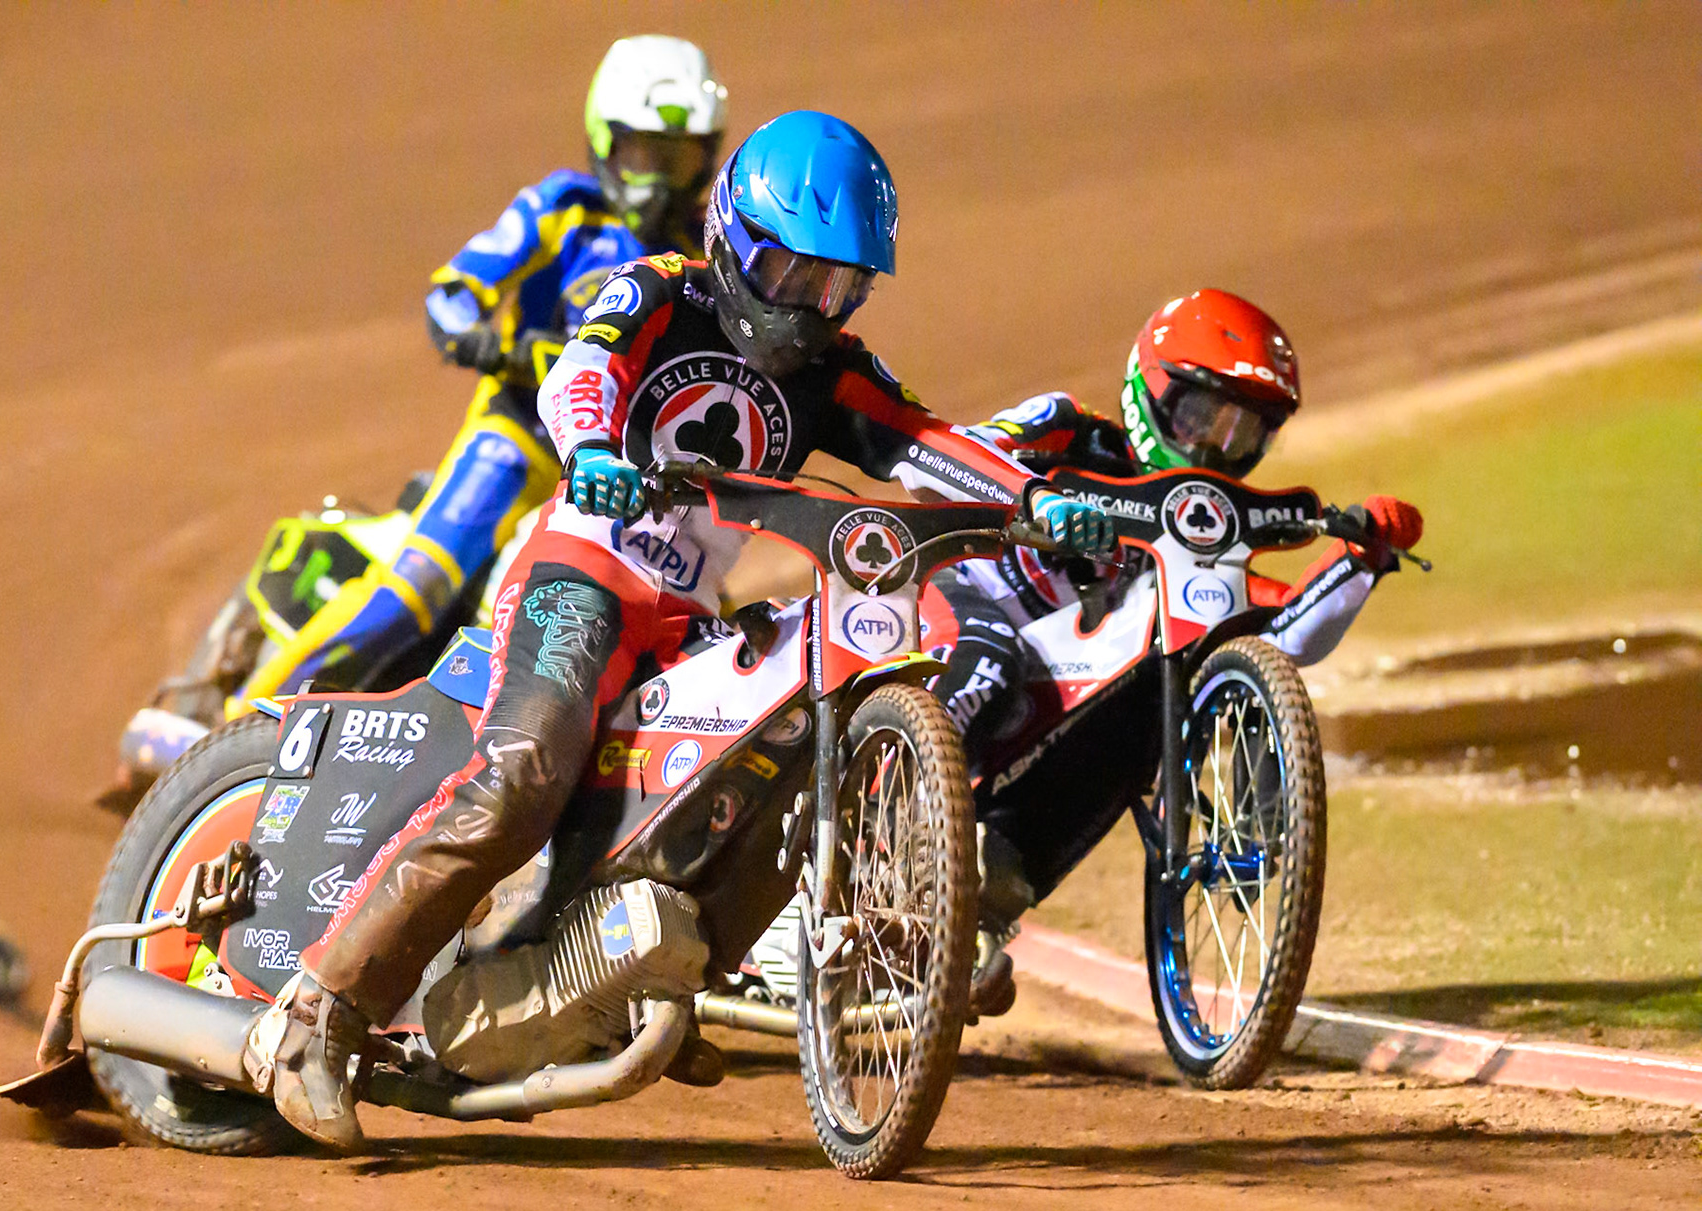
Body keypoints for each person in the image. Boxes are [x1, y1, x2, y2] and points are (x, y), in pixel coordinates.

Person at [243, 110, 1118, 1149]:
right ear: (735, 239)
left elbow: (928, 443)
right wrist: (592, 446)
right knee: (525, 771)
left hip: (697, 611)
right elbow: (584, 368)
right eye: (795, 274)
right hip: (586, 571)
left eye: (839, 287)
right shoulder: (661, 290)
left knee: (779, 757)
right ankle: (313, 1016)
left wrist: (1037, 498)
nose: (810, 308)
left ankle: (624, 977)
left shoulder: (837, 369)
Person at [118, 37, 730, 774]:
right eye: (645, 156)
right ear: (606, 141)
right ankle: (230, 733)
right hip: (522, 436)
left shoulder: (708, 256)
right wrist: (474, 332)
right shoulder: (564, 211)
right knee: (417, 587)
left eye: (680, 160)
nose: (660, 183)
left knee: (663, 614)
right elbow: (458, 286)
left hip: (618, 474)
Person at [920, 289, 1423, 976]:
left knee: (1152, 721)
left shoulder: (1210, 536)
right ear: (1148, 391)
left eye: (1241, 434)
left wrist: (1360, 561)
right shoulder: (1069, 427)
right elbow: (960, 458)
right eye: (1198, 418)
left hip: (1077, 669)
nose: (1214, 448)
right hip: (970, 597)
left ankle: (988, 890)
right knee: (987, 666)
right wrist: (1040, 500)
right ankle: (852, 838)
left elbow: (1280, 640)